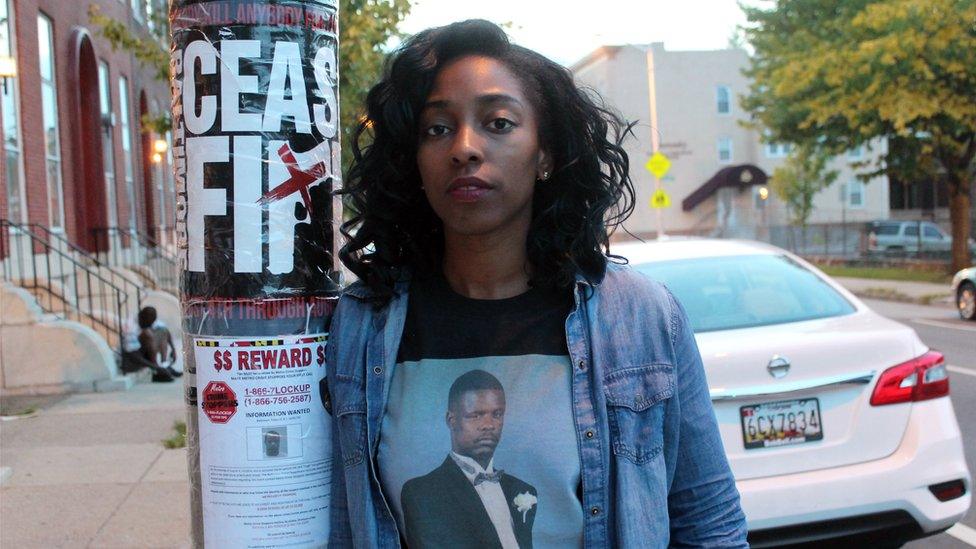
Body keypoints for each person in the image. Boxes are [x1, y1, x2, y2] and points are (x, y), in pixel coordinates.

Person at [326, 19, 747, 548]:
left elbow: (709, 524)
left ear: (544, 154)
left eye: (498, 122)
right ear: (414, 160)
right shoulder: (362, 325)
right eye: (437, 128)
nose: (464, 148)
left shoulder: (639, 316)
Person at [400, 370, 536, 549]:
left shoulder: (523, 490)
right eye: (475, 415)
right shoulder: (421, 493)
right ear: (451, 420)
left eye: (497, 414)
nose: (489, 425)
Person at [121, 307, 180, 382]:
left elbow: (165, 330)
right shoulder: (131, 326)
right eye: (149, 322)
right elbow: (133, 354)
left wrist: (173, 349)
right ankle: (157, 371)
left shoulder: (149, 322)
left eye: (152, 321)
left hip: (146, 352)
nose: (151, 324)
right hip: (133, 357)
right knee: (148, 333)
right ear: (141, 317)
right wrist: (155, 367)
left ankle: (164, 365)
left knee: (162, 331)